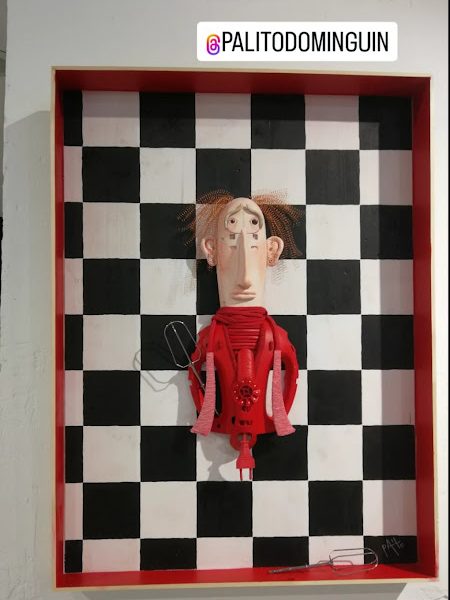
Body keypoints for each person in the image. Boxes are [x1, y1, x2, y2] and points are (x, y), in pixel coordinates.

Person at [181, 192, 301, 480]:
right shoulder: (211, 339)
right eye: (232, 244)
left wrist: (277, 417)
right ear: (211, 250)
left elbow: (291, 374)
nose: (245, 277)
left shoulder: (274, 338)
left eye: (254, 245)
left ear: (272, 251)